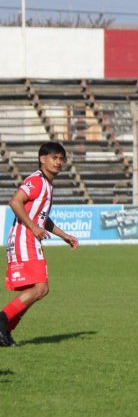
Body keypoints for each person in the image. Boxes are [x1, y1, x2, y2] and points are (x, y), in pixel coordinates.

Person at [1, 142, 79, 347]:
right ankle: (2, 321)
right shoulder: (36, 180)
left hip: (28, 237)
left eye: (61, 159)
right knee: (41, 289)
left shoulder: (47, 184)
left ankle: (5, 332)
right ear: (42, 159)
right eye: (55, 158)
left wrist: (64, 235)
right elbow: (15, 202)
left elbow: (43, 219)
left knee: (35, 292)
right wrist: (33, 228)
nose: (59, 162)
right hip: (24, 238)